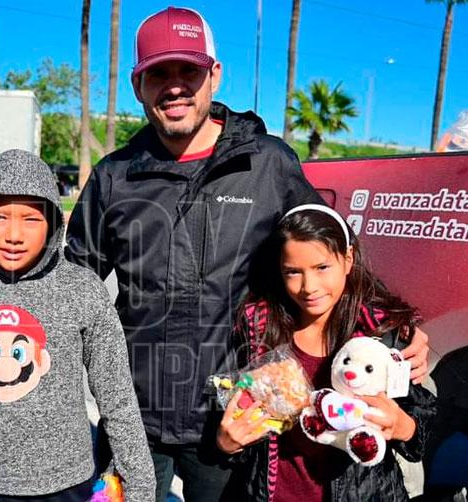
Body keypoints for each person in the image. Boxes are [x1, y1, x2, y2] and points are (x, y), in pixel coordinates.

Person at [62, 7, 430, 502]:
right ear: (138, 86)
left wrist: (394, 331)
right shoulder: (114, 176)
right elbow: (72, 281)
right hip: (133, 415)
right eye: (159, 74)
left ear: (214, 75)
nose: (175, 87)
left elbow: (330, 255)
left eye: (189, 70)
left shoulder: (267, 164)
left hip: (237, 419)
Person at [0, 149, 155, 502]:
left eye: (31, 219)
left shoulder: (83, 290)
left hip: (66, 484)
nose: (14, 234)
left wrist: (140, 487)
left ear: (54, 223)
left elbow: (118, 398)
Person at [216, 204, 436, 501]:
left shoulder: (382, 334)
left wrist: (401, 425)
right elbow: (244, 417)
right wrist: (228, 443)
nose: (309, 287)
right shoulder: (260, 329)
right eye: (293, 272)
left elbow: (420, 428)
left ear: (348, 259)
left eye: (322, 268)